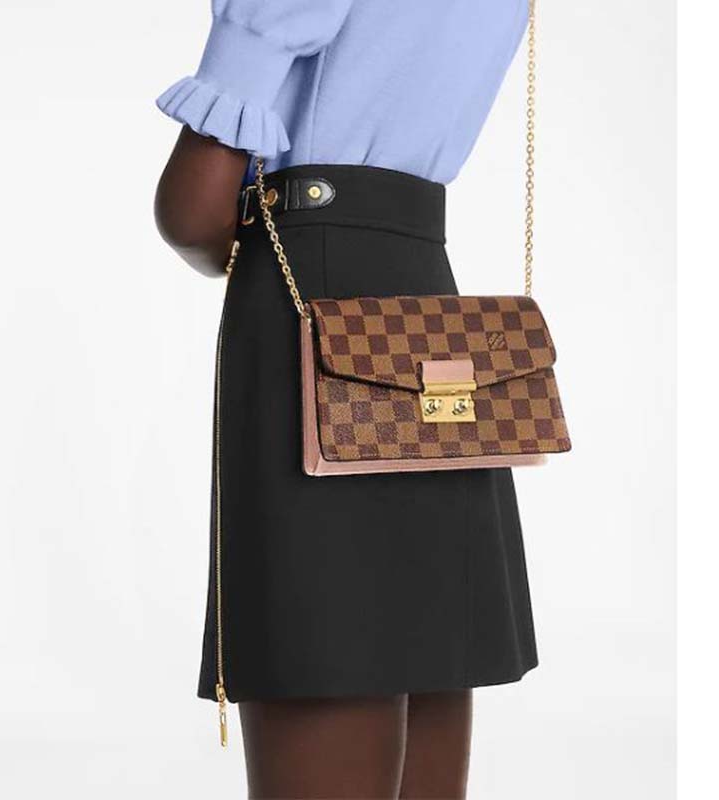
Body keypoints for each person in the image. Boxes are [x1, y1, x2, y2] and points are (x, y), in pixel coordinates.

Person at [155, 2, 535, 797]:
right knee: (422, 655)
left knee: (324, 641)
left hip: (312, 301)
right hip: (427, 308)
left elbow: (194, 209)